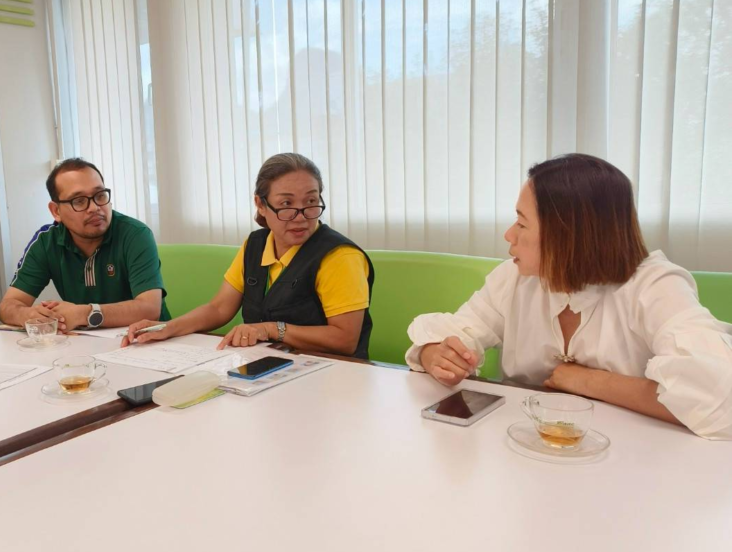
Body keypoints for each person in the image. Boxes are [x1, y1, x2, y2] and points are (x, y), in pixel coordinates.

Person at [406, 153, 732, 439]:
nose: (509, 234)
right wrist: (436, 355)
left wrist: (586, 381)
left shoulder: (655, 286)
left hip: (632, 460)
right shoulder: (514, 278)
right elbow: (454, 336)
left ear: (568, 235)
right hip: (526, 449)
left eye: (522, 223)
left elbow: (719, 397)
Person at [124, 153, 374, 358]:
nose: (301, 216)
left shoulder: (339, 256)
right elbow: (219, 308)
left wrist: (271, 329)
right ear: (261, 204)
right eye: (286, 204)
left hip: (330, 373)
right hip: (267, 365)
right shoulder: (255, 244)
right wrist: (168, 327)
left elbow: (345, 339)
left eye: (311, 201)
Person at [0, 158, 169, 333]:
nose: (94, 207)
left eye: (100, 196)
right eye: (79, 201)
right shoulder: (46, 241)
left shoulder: (135, 234)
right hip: (83, 342)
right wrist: (28, 315)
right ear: (56, 211)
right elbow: (8, 306)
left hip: (147, 340)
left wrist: (84, 314)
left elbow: (150, 309)